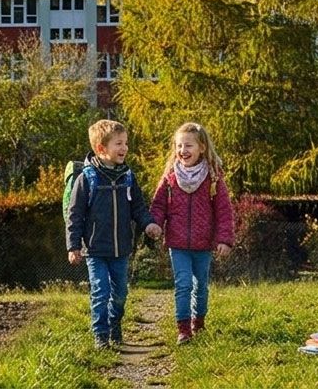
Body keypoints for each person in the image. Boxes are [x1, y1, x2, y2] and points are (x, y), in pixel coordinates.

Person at [66, 119, 160, 349]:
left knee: (120, 293)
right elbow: (75, 214)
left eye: (126, 143)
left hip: (121, 249)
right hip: (95, 249)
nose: (124, 148)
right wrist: (73, 245)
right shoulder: (86, 179)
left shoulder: (128, 177)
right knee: (101, 290)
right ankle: (100, 335)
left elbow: (138, 206)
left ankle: (114, 324)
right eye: (119, 143)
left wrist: (149, 224)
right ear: (101, 149)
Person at [148, 122, 235, 344]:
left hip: (203, 243)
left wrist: (224, 239)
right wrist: (155, 224)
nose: (183, 151)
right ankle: (184, 329)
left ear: (202, 148)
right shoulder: (170, 177)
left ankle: (199, 323)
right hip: (177, 243)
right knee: (183, 284)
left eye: (188, 145)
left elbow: (224, 211)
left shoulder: (213, 178)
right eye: (179, 146)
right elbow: (159, 205)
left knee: (201, 287)